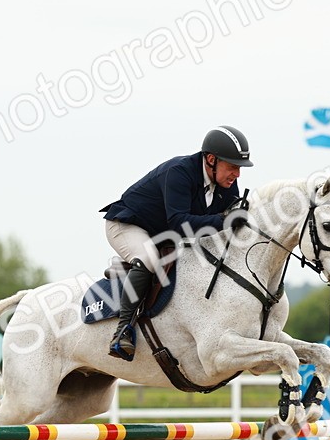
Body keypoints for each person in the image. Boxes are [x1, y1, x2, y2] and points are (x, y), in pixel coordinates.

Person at [99, 125, 253, 361]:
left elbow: (224, 225)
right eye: (232, 167)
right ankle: (122, 332)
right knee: (149, 259)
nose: (237, 175)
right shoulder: (180, 172)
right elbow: (180, 224)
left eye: (239, 168)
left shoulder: (226, 183)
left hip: (163, 235)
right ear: (211, 160)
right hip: (128, 225)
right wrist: (224, 221)